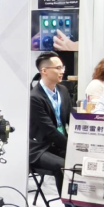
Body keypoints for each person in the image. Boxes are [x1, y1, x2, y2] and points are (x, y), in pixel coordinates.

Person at [29, 52, 72, 196]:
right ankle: (69, 206)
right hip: (40, 147)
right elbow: (49, 131)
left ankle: (79, 201)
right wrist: (71, 146)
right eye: (58, 68)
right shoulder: (35, 97)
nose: (62, 71)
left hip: (58, 144)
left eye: (62, 67)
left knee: (81, 161)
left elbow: (71, 118)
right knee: (63, 166)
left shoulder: (63, 90)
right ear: (44, 71)